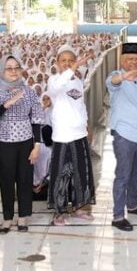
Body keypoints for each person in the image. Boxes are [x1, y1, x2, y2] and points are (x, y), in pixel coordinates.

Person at [0, 53, 46, 233]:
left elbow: (36, 118)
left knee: (25, 179)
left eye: (16, 68)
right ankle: (7, 218)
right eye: (9, 68)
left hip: (26, 141)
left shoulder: (28, 91)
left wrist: (37, 145)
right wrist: (6, 104)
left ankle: (23, 216)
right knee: (6, 180)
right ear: (2, 70)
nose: (13, 72)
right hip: (3, 142)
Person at [105, 42, 137, 232]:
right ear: (122, 60)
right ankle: (118, 216)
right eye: (129, 59)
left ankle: (133, 205)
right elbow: (112, 82)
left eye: (136, 59)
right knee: (123, 174)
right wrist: (124, 76)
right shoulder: (115, 77)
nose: (134, 63)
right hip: (123, 134)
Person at [46, 45, 95, 226]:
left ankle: (79, 207)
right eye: (63, 61)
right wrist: (72, 69)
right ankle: (59, 212)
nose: (67, 64)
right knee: (61, 175)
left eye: (71, 60)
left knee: (80, 173)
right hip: (62, 136)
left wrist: (87, 126)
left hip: (78, 134)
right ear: (57, 63)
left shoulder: (77, 82)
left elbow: (80, 106)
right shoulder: (54, 80)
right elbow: (55, 90)